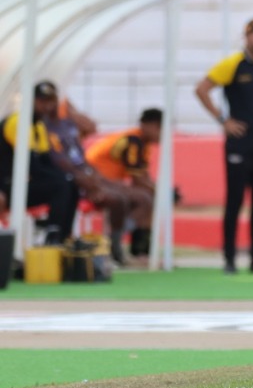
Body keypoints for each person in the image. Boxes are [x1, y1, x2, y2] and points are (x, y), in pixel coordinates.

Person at [194, 18, 253, 275]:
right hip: (239, 143)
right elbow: (202, 89)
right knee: (234, 200)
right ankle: (230, 258)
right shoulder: (233, 64)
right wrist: (223, 120)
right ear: (247, 37)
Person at [43, 83, 153, 265]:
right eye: (46, 101)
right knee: (127, 198)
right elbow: (61, 161)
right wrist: (90, 182)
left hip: (89, 175)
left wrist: (69, 108)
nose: (50, 106)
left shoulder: (67, 125)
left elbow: (89, 129)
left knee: (138, 197)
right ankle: (112, 244)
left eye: (54, 101)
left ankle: (115, 243)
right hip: (71, 180)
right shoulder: (45, 127)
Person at [1, 81, 79, 244]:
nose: (47, 106)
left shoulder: (38, 125)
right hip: (6, 186)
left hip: (19, 185)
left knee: (71, 184)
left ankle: (64, 236)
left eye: (50, 102)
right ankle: (53, 235)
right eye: (42, 101)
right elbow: (31, 165)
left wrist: (68, 177)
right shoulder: (18, 122)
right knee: (60, 185)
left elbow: (46, 161)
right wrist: (61, 179)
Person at [85, 108, 163, 262]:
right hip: (95, 181)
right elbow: (137, 179)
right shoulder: (133, 141)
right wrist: (158, 191)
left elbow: (142, 175)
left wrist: (156, 190)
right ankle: (118, 240)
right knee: (144, 199)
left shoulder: (141, 142)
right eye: (161, 129)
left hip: (109, 182)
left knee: (147, 197)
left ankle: (138, 249)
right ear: (150, 125)